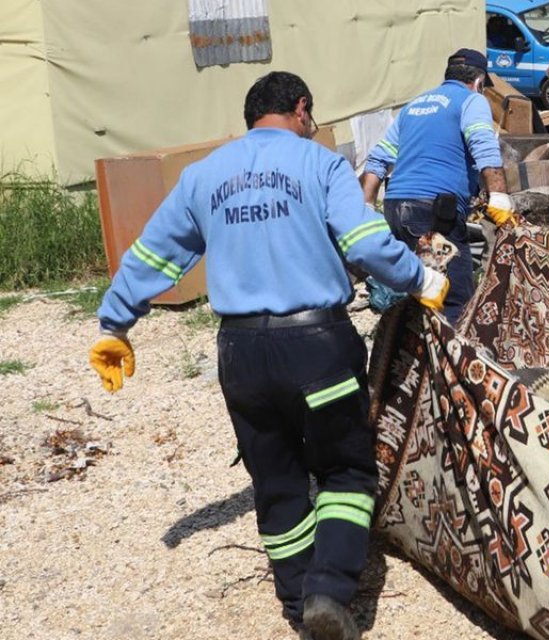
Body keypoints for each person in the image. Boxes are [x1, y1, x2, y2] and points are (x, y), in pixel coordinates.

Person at [87, 71, 449, 640]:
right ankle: (329, 591)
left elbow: (154, 255)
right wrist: (420, 277)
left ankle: (295, 605)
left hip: (241, 357)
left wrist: (115, 323)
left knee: (277, 481)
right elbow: (362, 241)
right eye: (312, 115)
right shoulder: (320, 163)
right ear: (301, 109)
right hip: (318, 349)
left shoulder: (202, 176)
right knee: (346, 473)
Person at [360, 48, 514, 323]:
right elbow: (484, 145)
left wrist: (366, 204)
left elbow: (379, 157)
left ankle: (418, 355)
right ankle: (450, 362)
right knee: (455, 296)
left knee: (424, 288)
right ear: (479, 82)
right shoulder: (471, 101)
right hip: (433, 213)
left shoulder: (414, 106)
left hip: (397, 209)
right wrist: (500, 195)